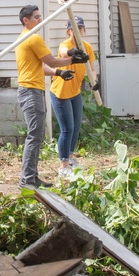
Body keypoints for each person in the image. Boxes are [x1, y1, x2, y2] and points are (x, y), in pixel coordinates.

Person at [14, 5, 88, 188]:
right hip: (31, 92)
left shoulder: (23, 37)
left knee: (36, 135)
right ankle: (27, 179)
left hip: (31, 90)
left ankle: (32, 177)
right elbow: (52, 60)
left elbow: (41, 67)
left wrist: (58, 73)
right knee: (35, 136)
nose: (40, 20)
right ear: (26, 20)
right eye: (37, 17)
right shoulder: (33, 38)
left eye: (40, 16)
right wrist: (73, 60)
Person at [50, 16, 96, 175]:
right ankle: (63, 166)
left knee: (76, 127)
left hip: (75, 91)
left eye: (80, 28)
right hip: (60, 92)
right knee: (67, 129)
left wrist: (94, 82)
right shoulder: (65, 44)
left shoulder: (87, 47)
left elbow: (92, 69)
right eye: (74, 29)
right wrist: (70, 52)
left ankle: (70, 158)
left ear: (83, 30)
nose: (77, 32)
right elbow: (63, 53)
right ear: (69, 31)